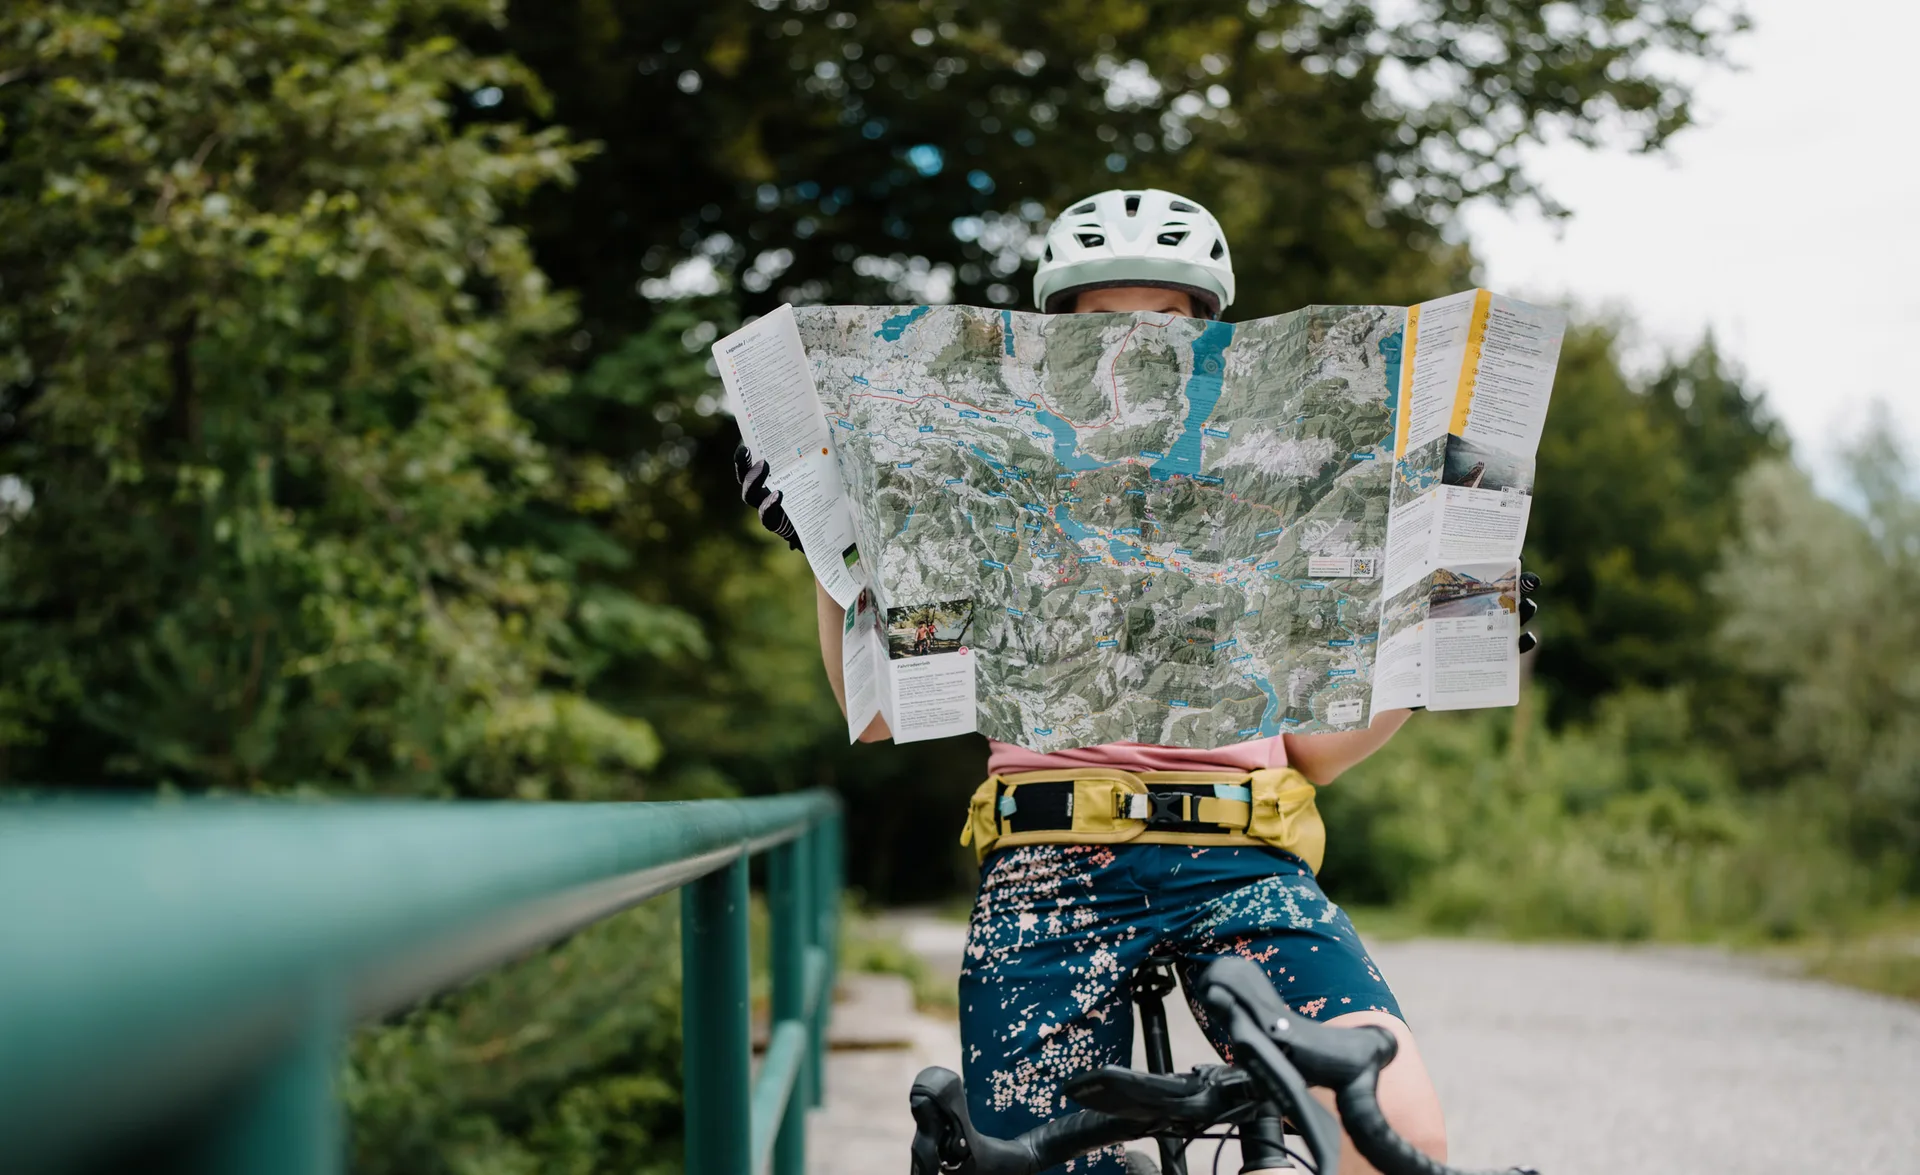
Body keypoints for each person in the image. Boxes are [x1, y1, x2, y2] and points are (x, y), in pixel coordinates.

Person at [733, 189, 1539, 1175]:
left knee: (1398, 1133)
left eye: (1166, 320)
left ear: (1209, 341)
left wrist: (1437, 631)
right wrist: (830, 548)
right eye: (1103, 322)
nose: (1136, 345)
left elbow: (1319, 753)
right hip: (1050, 870)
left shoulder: (1265, 501)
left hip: (1244, 863)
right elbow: (879, 714)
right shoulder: (993, 490)